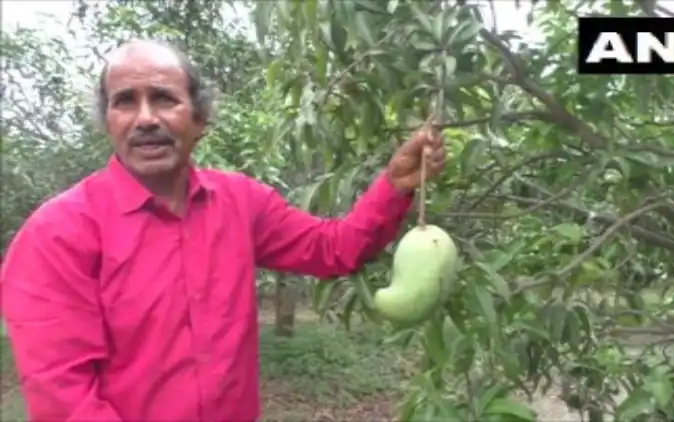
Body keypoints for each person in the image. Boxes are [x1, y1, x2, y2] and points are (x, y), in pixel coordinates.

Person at [0, 39, 446, 422]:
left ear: (199, 120)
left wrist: (395, 185)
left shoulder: (240, 203)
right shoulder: (57, 233)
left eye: (164, 98)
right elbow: (64, 397)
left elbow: (334, 249)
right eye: (124, 101)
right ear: (108, 122)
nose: (145, 118)